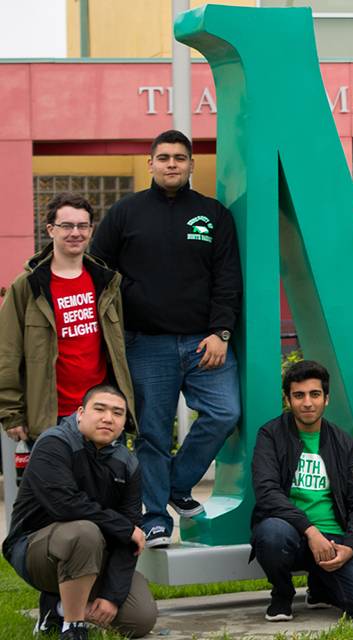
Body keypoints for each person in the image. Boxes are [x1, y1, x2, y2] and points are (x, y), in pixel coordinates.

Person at [90, 129, 241, 548]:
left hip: (203, 343)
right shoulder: (125, 213)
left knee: (225, 413)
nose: (171, 164)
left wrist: (221, 332)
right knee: (153, 433)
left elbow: (228, 279)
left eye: (179, 157)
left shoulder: (213, 215)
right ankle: (155, 517)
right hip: (146, 344)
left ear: (191, 165)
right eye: (164, 157)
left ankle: (175, 485)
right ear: (150, 164)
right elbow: (98, 269)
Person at [5, 385, 155, 640]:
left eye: (118, 413)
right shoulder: (53, 443)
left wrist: (111, 596)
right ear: (81, 413)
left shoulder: (128, 463)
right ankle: (73, 627)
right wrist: (124, 528)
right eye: (100, 409)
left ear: (123, 423)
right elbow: (65, 504)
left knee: (140, 619)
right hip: (35, 549)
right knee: (84, 531)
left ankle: (60, 606)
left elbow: (130, 537)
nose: (108, 418)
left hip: (94, 555)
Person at [249, 361, 353, 623]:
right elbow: (267, 492)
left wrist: (351, 547)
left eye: (315, 394)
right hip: (292, 534)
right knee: (271, 533)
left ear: (326, 399)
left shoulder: (342, 442)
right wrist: (310, 531)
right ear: (288, 399)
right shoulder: (271, 434)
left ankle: (320, 586)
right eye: (299, 395)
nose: (307, 403)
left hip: (334, 540)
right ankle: (283, 593)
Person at [0, 194, 132, 444]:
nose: (76, 232)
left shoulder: (106, 282)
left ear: (91, 230)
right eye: (66, 226)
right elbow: (7, 352)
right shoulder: (28, 285)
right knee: (55, 484)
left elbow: (117, 349)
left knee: (100, 483)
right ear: (51, 230)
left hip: (99, 411)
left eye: (83, 226)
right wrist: (11, 413)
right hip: (50, 415)